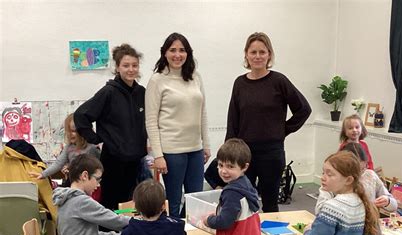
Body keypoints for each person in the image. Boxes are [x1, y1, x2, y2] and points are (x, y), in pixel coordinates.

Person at [225, 32, 312, 212]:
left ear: (269, 55)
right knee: (243, 201)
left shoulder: (279, 81)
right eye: (253, 52)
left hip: (271, 153)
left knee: (270, 203)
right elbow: (233, 118)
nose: (257, 56)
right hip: (244, 153)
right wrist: (229, 150)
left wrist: (282, 130)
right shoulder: (239, 83)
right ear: (246, 55)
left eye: (262, 52)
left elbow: (303, 109)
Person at [74, 43, 147, 211]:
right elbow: (81, 115)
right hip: (113, 160)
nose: (131, 69)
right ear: (117, 67)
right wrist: (96, 139)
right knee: (111, 203)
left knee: (131, 205)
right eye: (126, 65)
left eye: (134, 65)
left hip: (135, 160)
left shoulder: (141, 93)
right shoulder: (108, 92)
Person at [145, 32, 210, 218]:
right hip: (171, 152)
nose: (177, 55)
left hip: (195, 150)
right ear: (164, 53)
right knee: (174, 202)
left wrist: (206, 145)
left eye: (182, 50)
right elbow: (151, 121)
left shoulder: (195, 77)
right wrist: (158, 155)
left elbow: (202, 112)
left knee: (195, 200)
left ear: (188, 53)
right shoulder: (157, 80)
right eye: (172, 50)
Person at [304, 151, 380, 235]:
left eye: (330, 174)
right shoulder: (367, 205)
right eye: (323, 172)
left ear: (348, 180)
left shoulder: (331, 208)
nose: (323, 178)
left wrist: (308, 230)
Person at [52, 154, 130, 235]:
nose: (99, 185)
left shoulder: (66, 198)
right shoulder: (81, 201)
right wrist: (140, 224)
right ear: (84, 176)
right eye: (97, 179)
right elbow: (113, 220)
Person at [203, 138, 263, 235]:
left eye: (230, 166)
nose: (223, 170)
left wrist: (209, 220)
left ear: (244, 167)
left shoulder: (231, 192)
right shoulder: (247, 185)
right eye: (220, 165)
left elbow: (224, 222)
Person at [29, 113, 100, 185]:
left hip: (89, 182)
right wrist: (43, 174)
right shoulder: (69, 148)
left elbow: (99, 167)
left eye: (73, 131)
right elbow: (58, 163)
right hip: (74, 181)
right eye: (68, 131)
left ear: (83, 131)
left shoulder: (92, 148)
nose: (70, 134)